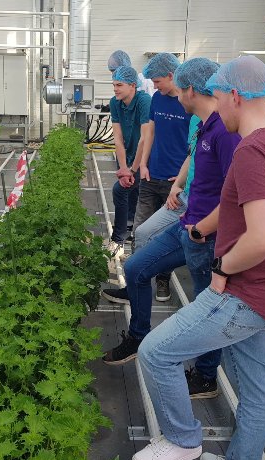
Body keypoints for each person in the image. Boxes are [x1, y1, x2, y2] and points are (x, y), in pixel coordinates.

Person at [130, 56, 265, 460]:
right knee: (255, 389)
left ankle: (182, 438)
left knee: (156, 352)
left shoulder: (252, 150)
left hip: (244, 292)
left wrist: (223, 268)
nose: (214, 105)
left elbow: (264, 236)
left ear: (234, 95)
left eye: (217, 95)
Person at [103, 58, 241, 402]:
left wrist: (202, 230)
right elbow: (194, 161)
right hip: (187, 223)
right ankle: (138, 336)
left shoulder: (226, 133)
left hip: (206, 237)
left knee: (206, 307)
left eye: (179, 89)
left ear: (190, 89)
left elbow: (237, 195)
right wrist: (180, 186)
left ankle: (206, 376)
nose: (176, 96)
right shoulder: (205, 124)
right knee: (136, 268)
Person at [102, 52, 189, 303]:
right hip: (151, 175)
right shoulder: (157, 100)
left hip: (175, 183)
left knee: (168, 235)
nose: (154, 85)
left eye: (157, 81)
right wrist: (141, 165)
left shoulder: (186, 102)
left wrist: (182, 178)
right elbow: (148, 135)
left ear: (171, 75)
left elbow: (193, 146)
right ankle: (134, 287)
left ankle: (163, 279)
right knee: (141, 231)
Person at [107, 65, 152, 255]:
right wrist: (124, 167)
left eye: (119, 85)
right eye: (114, 85)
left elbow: (145, 138)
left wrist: (132, 170)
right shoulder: (115, 103)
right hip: (127, 157)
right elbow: (118, 138)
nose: (115, 89)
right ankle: (128, 229)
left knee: (121, 191)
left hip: (145, 157)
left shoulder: (144, 101)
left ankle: (119, 237)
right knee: (127, 190)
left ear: (133, 85)